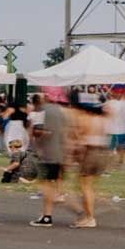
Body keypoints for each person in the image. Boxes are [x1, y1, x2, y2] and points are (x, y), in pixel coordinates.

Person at [28, 89, 71, 227]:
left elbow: (38, 132)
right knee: (52, 184)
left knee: (46, 186)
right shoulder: (62, 111)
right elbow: (66, 133)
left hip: (46, 153)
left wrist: (35, 144)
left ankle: (47, 216)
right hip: (59, 152)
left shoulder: (41, 112)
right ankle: (52, 210)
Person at [71, 93, 111, 228]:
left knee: (85, 186)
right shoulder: (102, 119)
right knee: (90, 185)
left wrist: (76, 156)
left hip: (90, 151)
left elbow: (79, 140)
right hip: (103, 151)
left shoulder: (84, 119)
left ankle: (90, 217)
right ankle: (91, 213)